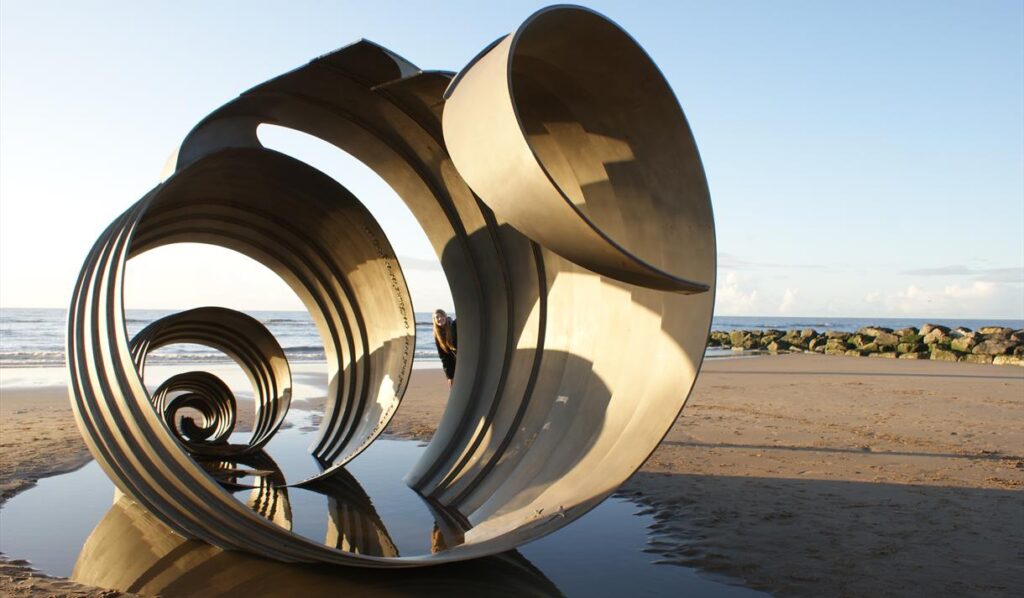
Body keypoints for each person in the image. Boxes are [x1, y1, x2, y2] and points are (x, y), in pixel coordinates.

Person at [432, 309, 457, 387]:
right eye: (437, 317)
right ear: (434, 320)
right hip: (455, 362)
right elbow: (444, 357)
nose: (440, 318)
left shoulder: (455, 325)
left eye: (442, 316)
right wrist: (450, 376)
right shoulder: (437, 336)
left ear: (445, 316)